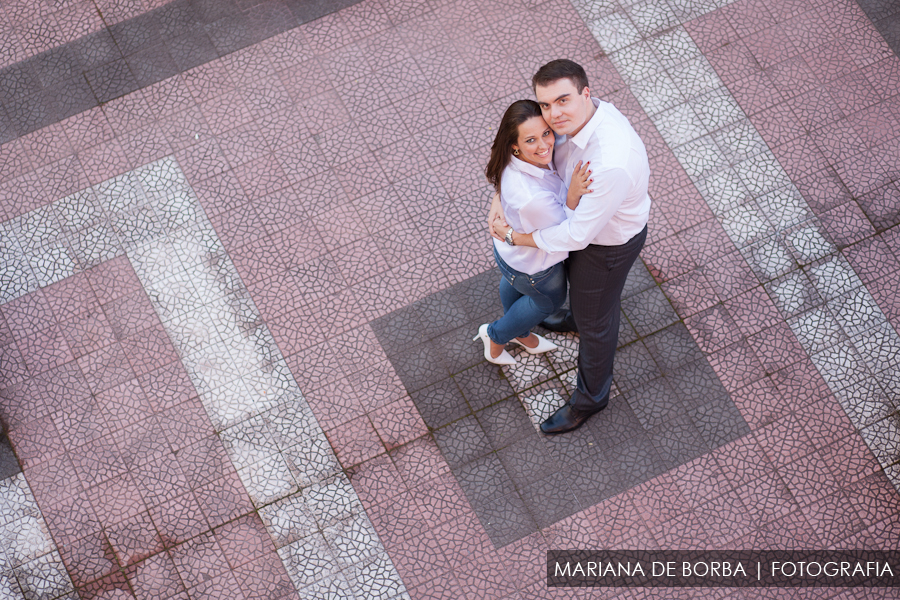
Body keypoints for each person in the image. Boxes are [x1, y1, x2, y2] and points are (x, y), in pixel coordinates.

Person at [490, 59, 651, 434]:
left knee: (598, 322)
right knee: (582, 304)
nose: (553, 115)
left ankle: (590, 400)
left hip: (605, 245)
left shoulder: (610, 161)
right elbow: (519, 153)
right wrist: (499, 200)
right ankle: (574, 317)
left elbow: (575, 234)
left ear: (586, 93)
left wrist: (515, 237)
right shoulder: (568, 123)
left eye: (562, 100)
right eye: (545, 104)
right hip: (579, 230)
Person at [474, 99, 592, 366]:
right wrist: (573, 194)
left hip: (511, 255)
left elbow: (501, 184)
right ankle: (495, 336)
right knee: (548, 303)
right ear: (514, 145)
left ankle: (521, 332)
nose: (543, 146)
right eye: (531, 141)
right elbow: (566, 232)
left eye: (546, 133)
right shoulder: (533, 199)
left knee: (518, 289)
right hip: (536, 267)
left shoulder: (511, 159)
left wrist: (498, 200)